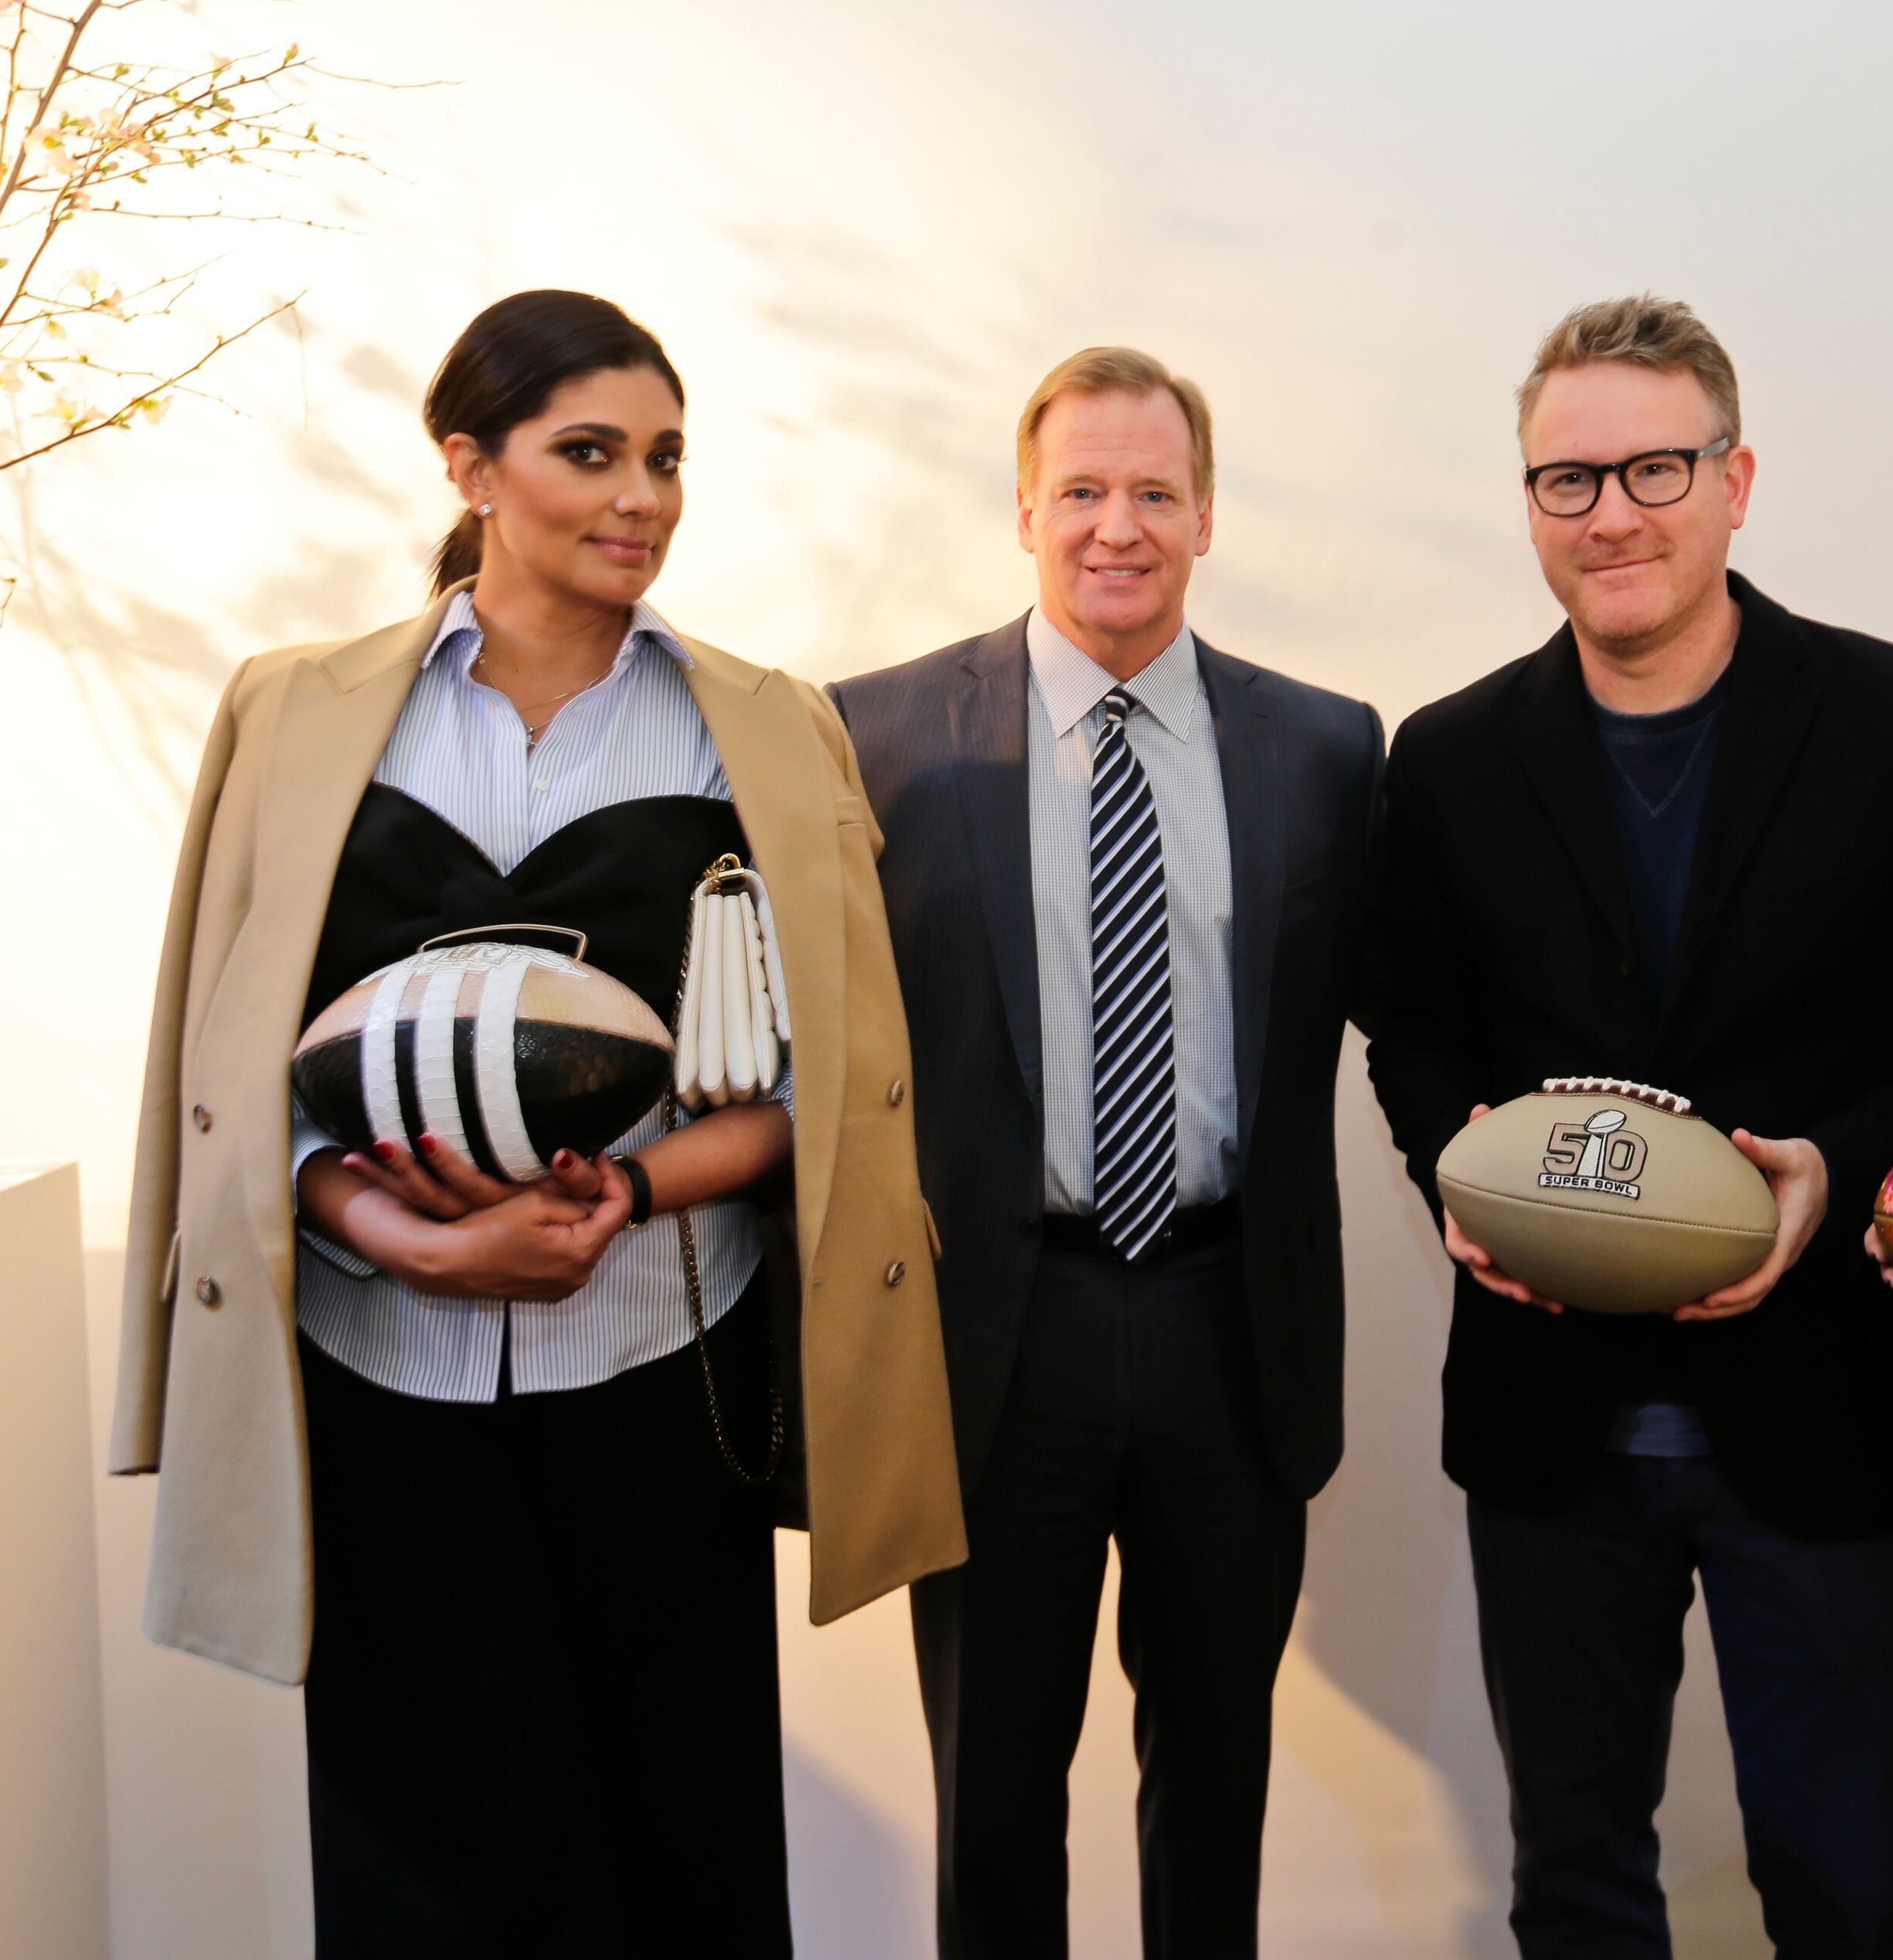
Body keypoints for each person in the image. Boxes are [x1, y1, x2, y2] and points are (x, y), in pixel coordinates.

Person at [107, 289, 963, 1957]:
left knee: (679, 1842)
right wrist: (401, 1228)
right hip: (375, 1385)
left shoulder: (764, 727)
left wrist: (621, 1194)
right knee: (416, 1853)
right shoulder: (294, 713)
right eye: (589, 452)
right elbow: (229, 1070)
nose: (640, 493)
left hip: (665, 1367)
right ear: (470, 466)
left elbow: (827, 1080)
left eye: (664, 457)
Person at [1366, 294, 1893, 1959]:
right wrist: (1462, 1176)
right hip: (1552, 1427)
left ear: (1738, 479)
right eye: (1566, 480)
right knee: (1579, 1885)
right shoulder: (1449, 759)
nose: (1612, 512)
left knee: (1848, 1877)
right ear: (1529, 503)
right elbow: (1412, 1031)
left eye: (1654, 467)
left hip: (1826, 1411)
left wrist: (1839, 1166)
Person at [832, 347, 1382, 1958]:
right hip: (1000, 1342)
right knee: (993, 1796)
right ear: (1024, 510)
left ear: (1207, 513)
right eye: (1082, 490)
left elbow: (1400, 1009)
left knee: (1215, 1783)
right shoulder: (883, 740)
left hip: (1234, 1324)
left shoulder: (1329, 749)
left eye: (1154, 491)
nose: (1117, 526)